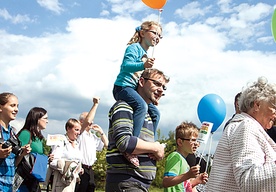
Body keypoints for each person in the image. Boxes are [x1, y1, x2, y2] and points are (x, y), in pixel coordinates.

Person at [206, 76, 276, 191]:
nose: (275, 114)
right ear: (257, 105)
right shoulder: (246, 126)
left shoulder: (241, 126)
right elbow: (249, 181)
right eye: (274, 106)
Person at [106, 68, 169, 192]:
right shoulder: (124, 106)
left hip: (138, 185)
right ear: (141, 82)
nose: (161, 89)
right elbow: (125, 142)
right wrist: (155, 147)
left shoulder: (149, 115)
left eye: (163, 87)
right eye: (156, 83)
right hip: (127, 182)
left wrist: (157, 151)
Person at [113, 21, 163, 167]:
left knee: (155, 113)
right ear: (142, 33)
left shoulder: (146, 54)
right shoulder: (134, 48)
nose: (157, 37)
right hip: (123, 87)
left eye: (160, 35)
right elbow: (125, 66)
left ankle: (148, 144)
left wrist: (152, 97)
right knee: (141, 105)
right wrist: (143, 65)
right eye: (154, 33)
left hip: (133, 90)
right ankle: (132, 146)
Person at [75, 97, 108, 192]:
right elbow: (88, 121)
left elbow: (106, 145)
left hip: (90, 169)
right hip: (81, 167)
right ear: (81, 122)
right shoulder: (80, 134)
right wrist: (95, 104)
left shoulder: (92, 136)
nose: (92, 122)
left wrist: (101, 132)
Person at [163, 121, 208, 192]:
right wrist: (188, 175)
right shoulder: (176, 156)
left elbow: (183, 186)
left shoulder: (184, 161)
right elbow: (166, 182)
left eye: (198, 141)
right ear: (180, 142)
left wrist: (198, 180)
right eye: (193, 140)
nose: (197, 144)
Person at [0, 92, 31, 192]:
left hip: (9, 184)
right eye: (12, 105)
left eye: (17, 106)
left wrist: (22, 154)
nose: (16, 109)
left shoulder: (12, 133)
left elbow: (13, 164)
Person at [17, 107, 49, 192]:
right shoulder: (26, 134)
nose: (47, 121)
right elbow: (17, 153)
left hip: (33, 179)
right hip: (23, 179)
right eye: (45, 118)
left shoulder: (39, 138)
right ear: (37, 119)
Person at [49, 118, 83, 192]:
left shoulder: (77, 144)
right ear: (68, 129)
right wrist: (67, 166)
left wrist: (79, 169)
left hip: (74, 181)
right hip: (61, 182)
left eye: (79, 130)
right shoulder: (61, 141)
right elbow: (53, 162)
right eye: (76, 130)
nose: (79, 133)